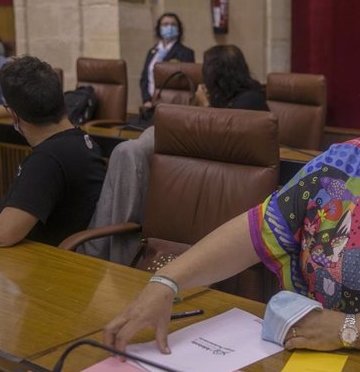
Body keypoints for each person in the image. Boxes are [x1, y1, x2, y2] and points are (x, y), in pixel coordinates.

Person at [103, 29, 360, 364]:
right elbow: (254, 232)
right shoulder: (339, 166)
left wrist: (345, 329)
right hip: (317, 362)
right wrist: (166, 282)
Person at [83, 44, 268, 263]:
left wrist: (205, 105)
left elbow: (216, 140)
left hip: (227, 184)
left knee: (134, 151)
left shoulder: (250, 99)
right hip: (201, 172)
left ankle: (98, 250)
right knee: (131, 152)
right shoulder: (225, 96)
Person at [0, 56, 106, 247]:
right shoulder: (83, 143)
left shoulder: (48, 159)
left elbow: (4, 232)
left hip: (46, 264)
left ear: (12, 114)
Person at [139, 13, 195, 113]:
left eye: (173, 24)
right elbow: (144, 78)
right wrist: (146, 100)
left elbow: (187, 82)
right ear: (159, 28)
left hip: (172, 104)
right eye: (165, 24)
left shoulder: (186, 53)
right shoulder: (152, 51)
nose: (169, 27)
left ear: (178, 28)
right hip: (150, 103)